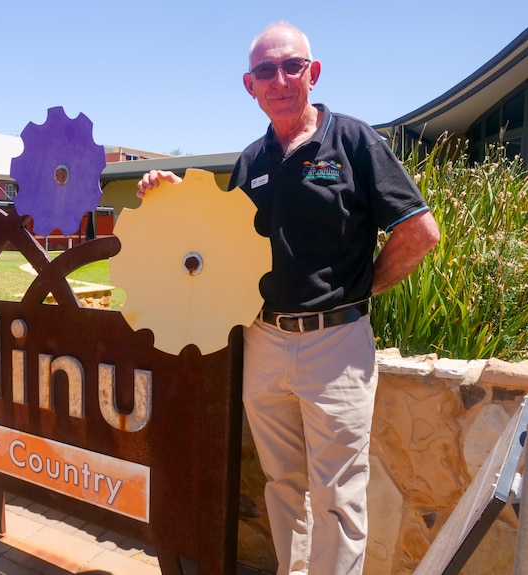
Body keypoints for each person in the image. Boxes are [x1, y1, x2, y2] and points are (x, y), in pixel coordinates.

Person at [137, 22, 440, 575]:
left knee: (338, 494)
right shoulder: (252, 161)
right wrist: (176, 197)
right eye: (265, 71)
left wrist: (361, 288)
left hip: (336, 345)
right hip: (265, 341)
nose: (279, 79)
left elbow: (420, 232)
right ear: (249, 85)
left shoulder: (352, 141)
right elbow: (222, 242)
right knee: (284, 485)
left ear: (312, 72)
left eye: (290, 66)